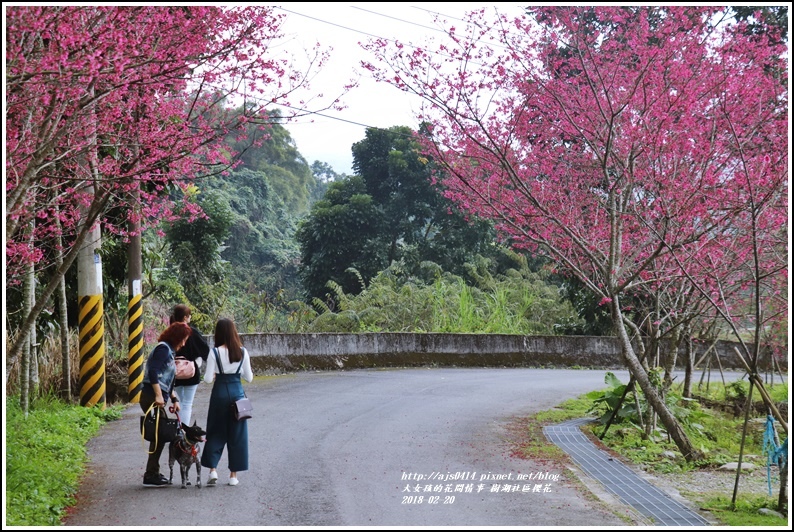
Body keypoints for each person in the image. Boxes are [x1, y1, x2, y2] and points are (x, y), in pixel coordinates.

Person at [200, 318, 253, 486]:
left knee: (215, 431)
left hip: (219, 394)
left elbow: (208, 379)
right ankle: (233, 476)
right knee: (237, 435)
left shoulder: (214, 352)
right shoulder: (242, 352)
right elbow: (249, 378)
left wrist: (216, 374)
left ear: (218, 333)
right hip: (237, 394)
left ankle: (213, 470)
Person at [139, 321, 192, 486]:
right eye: (183, 339)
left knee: (159, 435)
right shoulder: (163, 349)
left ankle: (152, 472)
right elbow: (153, 372)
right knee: (159, 435)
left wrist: (174, 399)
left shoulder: (168, 351)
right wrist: (158, 395)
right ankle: (150, 474)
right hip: (151, 397)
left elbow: (167, 380)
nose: (184, 343)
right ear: (176, 337)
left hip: (158, 397)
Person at [170, 304, 210, 427]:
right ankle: (182, 433)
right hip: (190, 373)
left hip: (175, 372)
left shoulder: (170, 332)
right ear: (186, 317)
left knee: (181, 402)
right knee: (187, 404)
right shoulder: (192, 332)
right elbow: (205, 350)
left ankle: (179, 430)